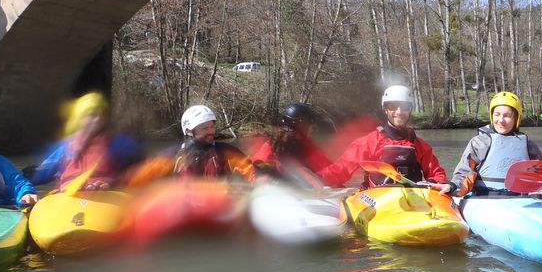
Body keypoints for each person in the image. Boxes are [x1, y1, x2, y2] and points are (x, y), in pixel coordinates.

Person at [317, 85, 447, 189]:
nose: (399, 112)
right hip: (377, 201)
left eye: (405, 107)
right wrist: (317, 179)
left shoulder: (421, 146)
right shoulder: (369, 142)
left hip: (411, 200)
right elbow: (341, 169)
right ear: (385, 109)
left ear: (410, 109)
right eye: (393, 107)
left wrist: (432, 183)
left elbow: (437, 174)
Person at [28, 92, 142, 191]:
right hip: (69, 196)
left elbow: (137, 170)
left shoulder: (117, 143)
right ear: (79, 118)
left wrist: (114, 183)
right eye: (91, 115)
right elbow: (40, 175)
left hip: (106, 195)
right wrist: (23, 185)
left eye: (101, 114)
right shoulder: (65, 147)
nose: (98, 119)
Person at [442, 91, 542, 196]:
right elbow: (465, 172)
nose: (501, 120)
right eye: (497, 114)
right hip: (484, 197)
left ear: (516, 118)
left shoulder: (529, 146)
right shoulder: (480, 143)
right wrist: (452, 185)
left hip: (519, 198)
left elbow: (539, 176)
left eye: (507, 116)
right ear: (492, 116)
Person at [125, 105, 255, 186]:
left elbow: (251, 171)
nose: (211, 131)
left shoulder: (225, 152)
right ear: (189, 131)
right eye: (205, 128)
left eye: (212, 127)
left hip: (215, 206)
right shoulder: (172, 156)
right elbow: (139, 177)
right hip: (184, 208)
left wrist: (262, 180)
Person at [252, 102, 332, 173]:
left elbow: (326, 165)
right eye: (310, 125)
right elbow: (257, 172)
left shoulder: (308, 144)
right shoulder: (271, 148)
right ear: (302, 125)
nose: (312, 128)